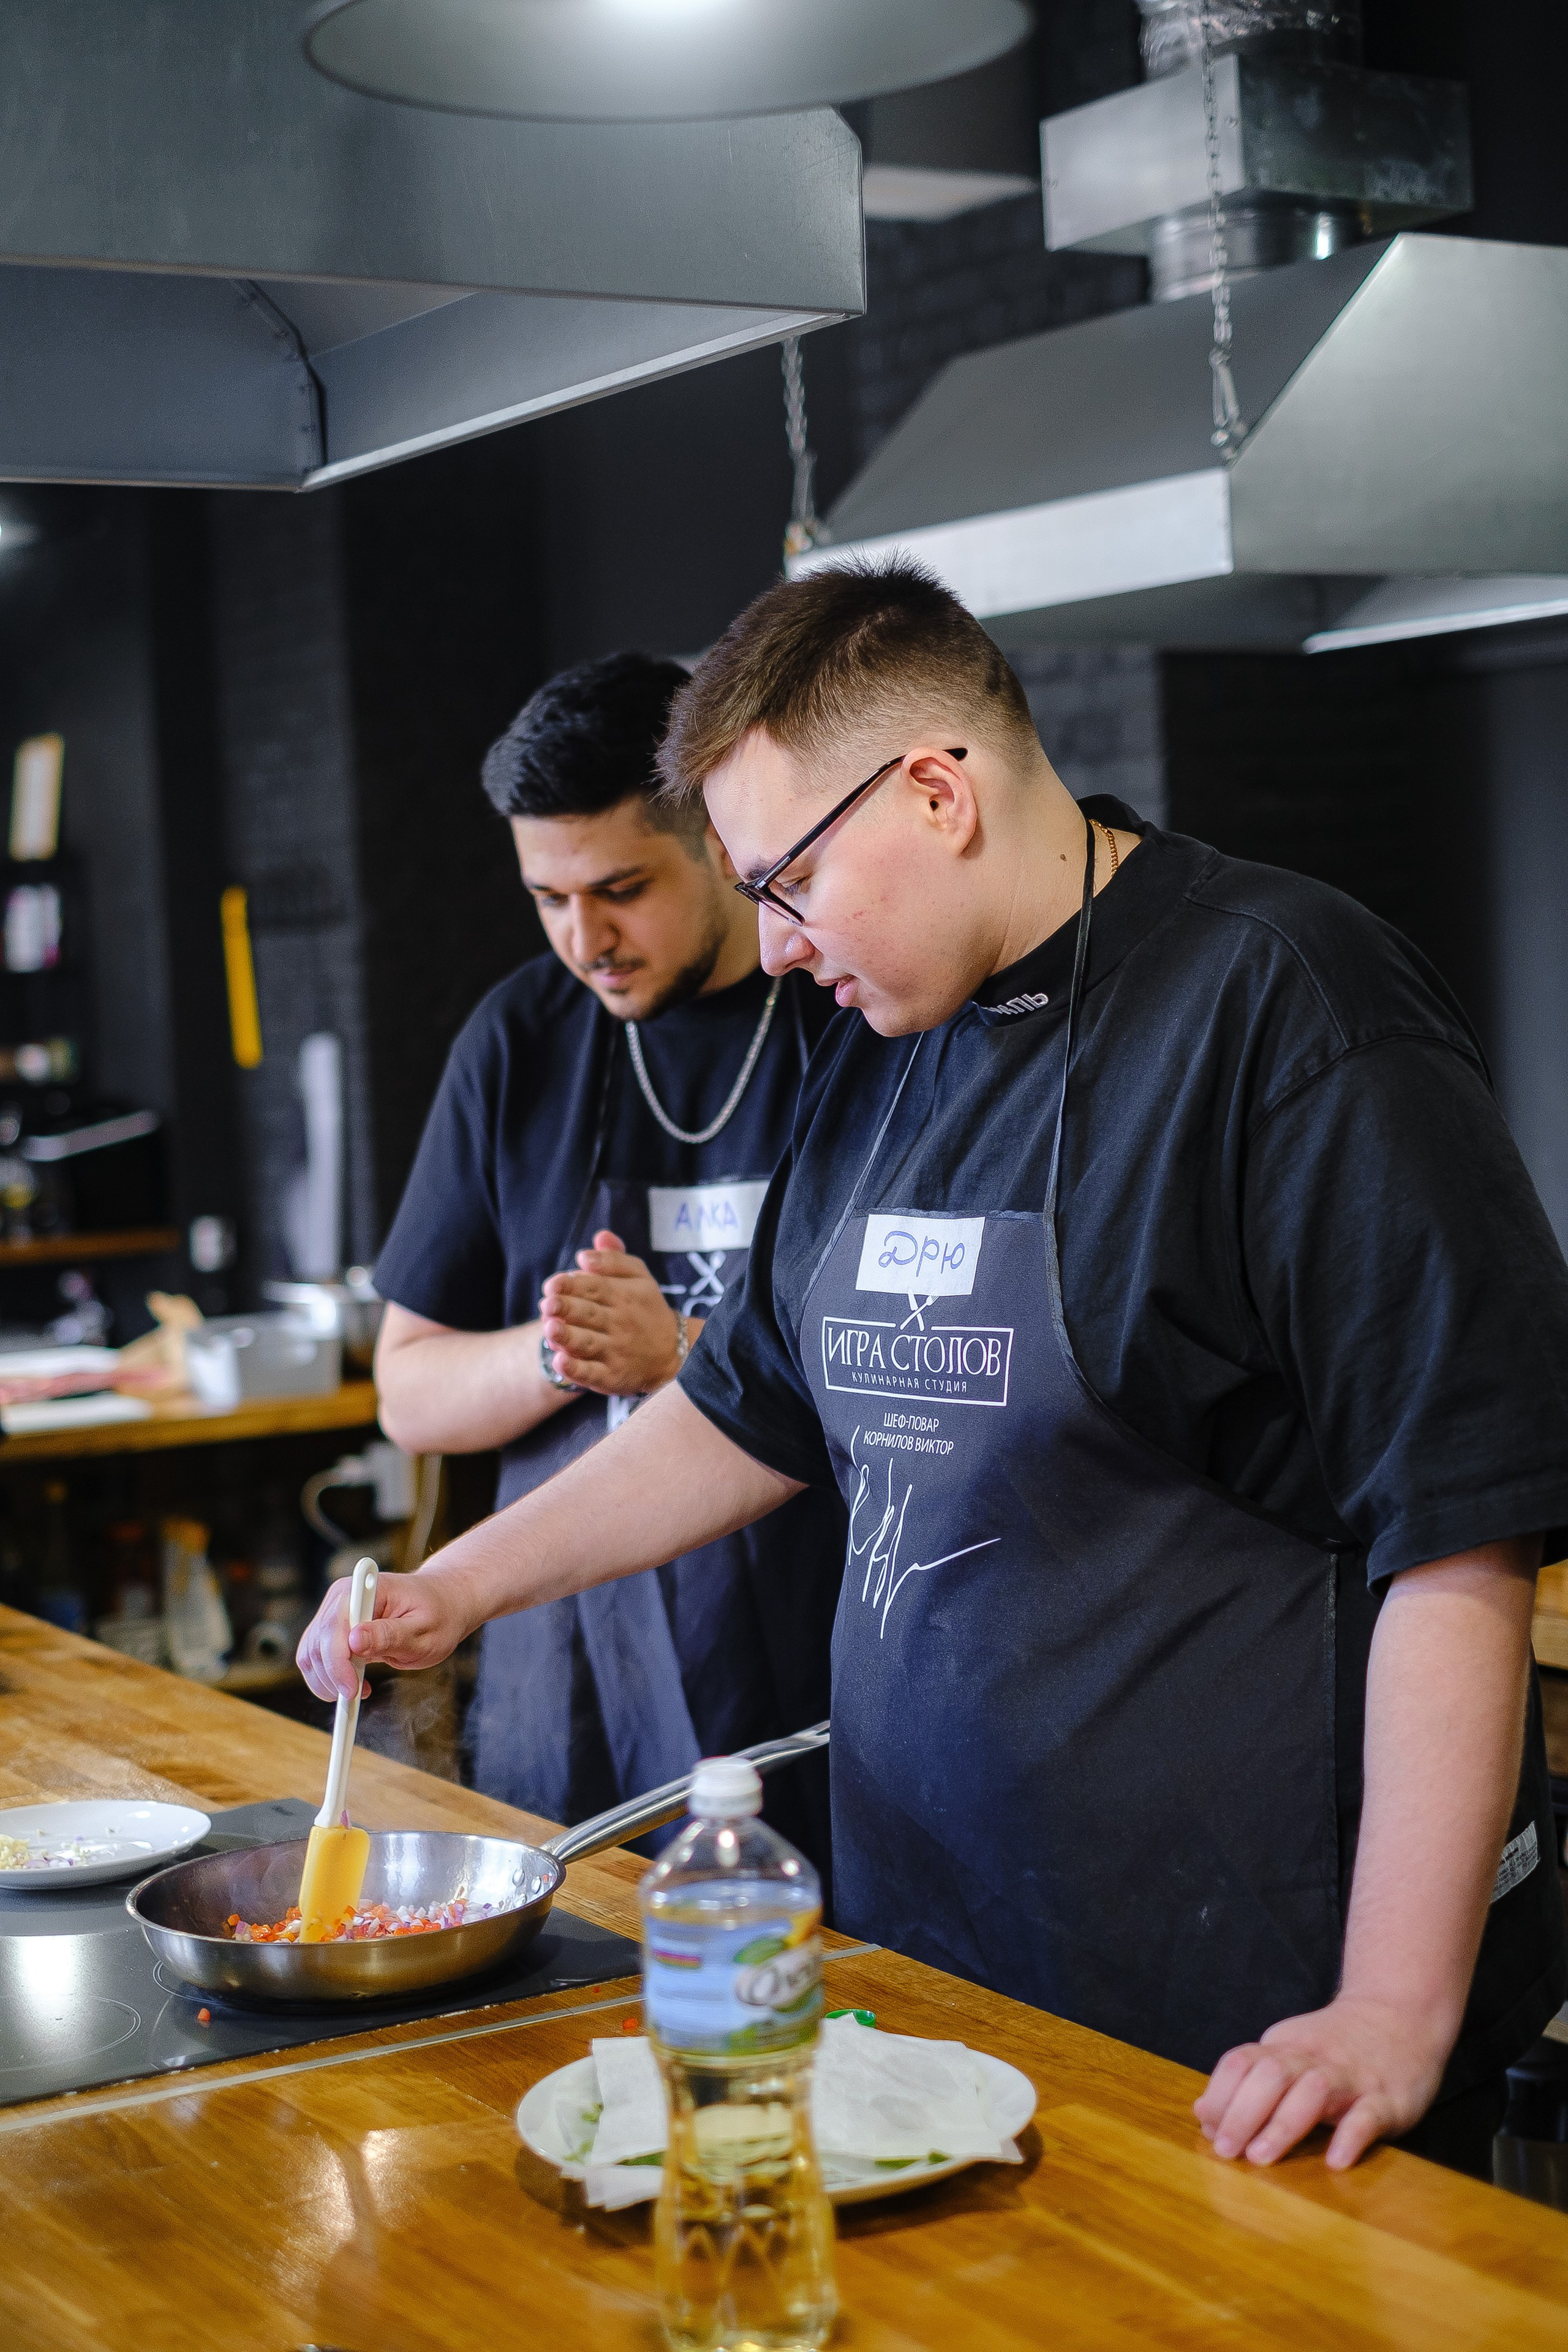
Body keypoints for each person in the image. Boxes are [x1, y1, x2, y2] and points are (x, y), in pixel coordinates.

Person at [306, 565, 1567, 2177]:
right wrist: (456, 1589)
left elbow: (1459, 1534)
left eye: (787, 883)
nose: (769, 949)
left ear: (935, 793)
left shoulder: (1287, 1007)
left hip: (1250, 2017)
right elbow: (744, 1406)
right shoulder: (883, 1055)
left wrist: (1391, 2009)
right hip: (934, 1975)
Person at [369, 652, 845, 1876]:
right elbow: (409, 1391)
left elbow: (933, 1375)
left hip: (818, 1646)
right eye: (549, 898)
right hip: (568, 1665)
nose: (587, 939)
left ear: (715, 835)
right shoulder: (517, 1042)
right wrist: (561, 1352)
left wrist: (681, 1355)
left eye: (621, 888)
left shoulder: (850, 1005)